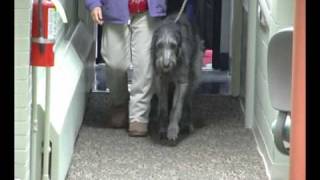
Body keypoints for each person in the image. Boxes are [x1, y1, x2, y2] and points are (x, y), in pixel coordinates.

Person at [85, 0, 167, 137]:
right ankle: (119, 104)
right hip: (114, 9)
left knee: (144, 65)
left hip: (146, 12)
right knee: (115, 63)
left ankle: (139, 115)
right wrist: (94, 3)